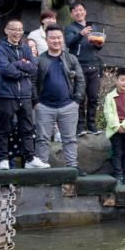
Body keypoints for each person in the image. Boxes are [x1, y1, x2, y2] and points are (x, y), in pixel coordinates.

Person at [0, 20, 47, 170]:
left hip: (25, 94)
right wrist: (22, 67)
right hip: (7, 95)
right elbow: (5, 70)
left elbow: (34, 67)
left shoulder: (25, 48)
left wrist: (16, 65)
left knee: (28, 128)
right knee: (4, 128)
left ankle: (30, 158)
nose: (17, 32)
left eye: (20, 29)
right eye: (13, 29)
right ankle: (2, 158)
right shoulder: (0, 49)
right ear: (6, 30)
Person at [32, 24, 85, 174]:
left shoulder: (71, 58)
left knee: (70, 139)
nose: (56, 41)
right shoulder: (39, 60)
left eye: (58, 37)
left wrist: (77, 101)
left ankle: (72, 167)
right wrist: (36, 102)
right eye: (52, 38)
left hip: (68, 105)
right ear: (47, 40)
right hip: (44, 106)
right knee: (42, 139)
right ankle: (41, 168)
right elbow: (33, 81)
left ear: (63, 39)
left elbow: (80, 80)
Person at [65, 1, 103, 136]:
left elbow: (97, 47)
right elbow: (69, 43)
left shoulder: (93, 27)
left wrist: (99, 42)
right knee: (80, 97)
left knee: (93, 97)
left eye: (81, 10)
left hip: (94, 65)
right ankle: (80, 126)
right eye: (75, 11)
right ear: (72, 14)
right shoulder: (70, 28)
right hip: (79, 66)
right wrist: (81, 34)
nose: (78, 12)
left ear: (85, 11)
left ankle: (92, 125)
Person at [103, 68, 125, 184]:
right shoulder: (109, 97)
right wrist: (118, 126)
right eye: (122, 80)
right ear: (116, 80)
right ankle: (118, 175)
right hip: (115, 129)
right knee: (117, 152)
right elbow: (109, 114)